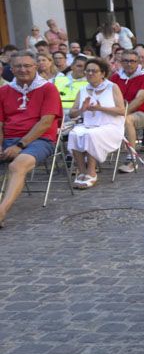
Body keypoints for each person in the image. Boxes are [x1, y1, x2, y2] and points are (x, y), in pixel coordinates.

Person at [0, 52, 62, 227]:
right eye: (18, 66)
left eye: (27, 65)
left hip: (39, 140)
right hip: (8, 138)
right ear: (10, 69)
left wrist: (20, 145)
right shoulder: (4, 91)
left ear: (36, 66)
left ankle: (1, 211)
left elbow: (46, 122)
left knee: (17, 165)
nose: (23, 69)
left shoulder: (48, 88)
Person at [66, 59, 125, 188]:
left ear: (102, 73)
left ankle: (91, 172)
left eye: (94, 71)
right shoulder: (82, 89)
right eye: (88, 71)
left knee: (91, 135)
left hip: (111, 126)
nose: (90, 73)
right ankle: (82, 171)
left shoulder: (112, 87)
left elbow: (121, 111)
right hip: (89, 125)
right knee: (74, 133)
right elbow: (72, 114)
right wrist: (82, 109)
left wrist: (100, 108)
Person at [109, 51, 144, 173]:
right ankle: (92, 160)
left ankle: (132, 158)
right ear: (121, 62)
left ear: (138, 62)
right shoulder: (115, 77)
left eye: (132, 61)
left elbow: (140, 98)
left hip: (142, 114)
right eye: (126, 61)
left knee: (127, 120)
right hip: (118, 112)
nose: (129, 64)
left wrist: (124, 113)